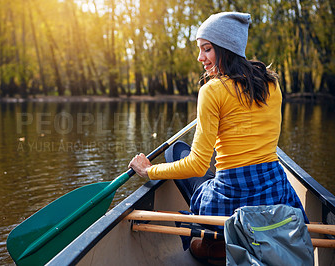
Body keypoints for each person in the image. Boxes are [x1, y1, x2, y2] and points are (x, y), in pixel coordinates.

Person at [128, 11, 307, 265]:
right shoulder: (272, 84)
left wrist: (149, 170)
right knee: (185, 156)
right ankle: (239, 241)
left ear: (227, 48)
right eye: (201, 49)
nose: (200, 58)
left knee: (174, 154)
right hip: (275, 194)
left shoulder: (212, 91)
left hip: (232, 200)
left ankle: (216, 247)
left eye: (207, 49)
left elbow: (198, 165)